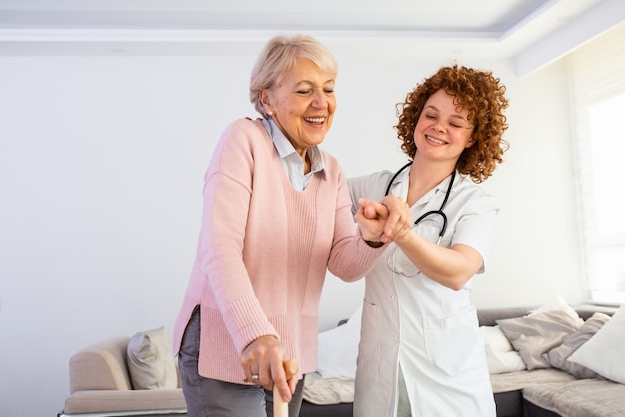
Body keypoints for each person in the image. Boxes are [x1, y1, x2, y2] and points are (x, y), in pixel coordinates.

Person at [172, 34, 392, 417]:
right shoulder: (244, 140)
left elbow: (343, 262)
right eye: (305, 90)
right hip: (229, 341)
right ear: (266, 99)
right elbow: (219, 248)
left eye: (328, 88)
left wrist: (372, 240)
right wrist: (257, 334)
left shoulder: (333, 170)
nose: (322, 103)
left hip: (291, 351)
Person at [349, 65, 510, 417]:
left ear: (472, 138)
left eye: (456, 123)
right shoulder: (370, 187)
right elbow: (311, 198)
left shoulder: (475, 203)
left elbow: (458, 272)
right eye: (431, 114)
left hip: (449, 379)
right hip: (382, 370)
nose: (439, 127)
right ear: (415, 118)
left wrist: (401, 233)